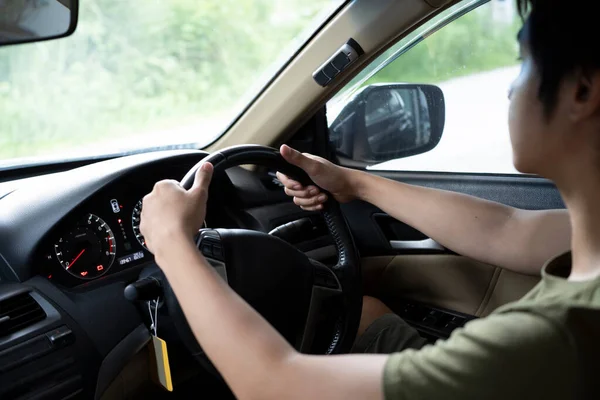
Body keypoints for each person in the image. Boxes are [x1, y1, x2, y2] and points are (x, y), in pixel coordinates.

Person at [139, 0, 600, 398]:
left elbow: (275, 386)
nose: (509, 87)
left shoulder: (556, 340)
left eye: (523, 64)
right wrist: (356, 184)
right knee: (364, 314)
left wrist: (173, 244)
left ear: (581, 89)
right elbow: (508, 230)